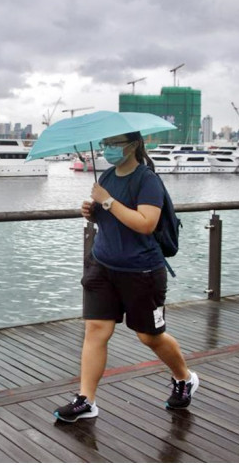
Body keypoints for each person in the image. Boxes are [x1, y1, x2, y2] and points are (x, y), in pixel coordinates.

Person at [54, 131, 199, 423]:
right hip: (102, 265)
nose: (107, 149)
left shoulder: (147, 180)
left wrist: (106, 202)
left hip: (142, 271)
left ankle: (184, 378)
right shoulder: (106, 177)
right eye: (105, 143)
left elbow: (146, 224)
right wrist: (91, 211)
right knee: (96, 329)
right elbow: (111, 219)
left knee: (150, 336)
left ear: (133, 146)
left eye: (114, 144)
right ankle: (86, 400)